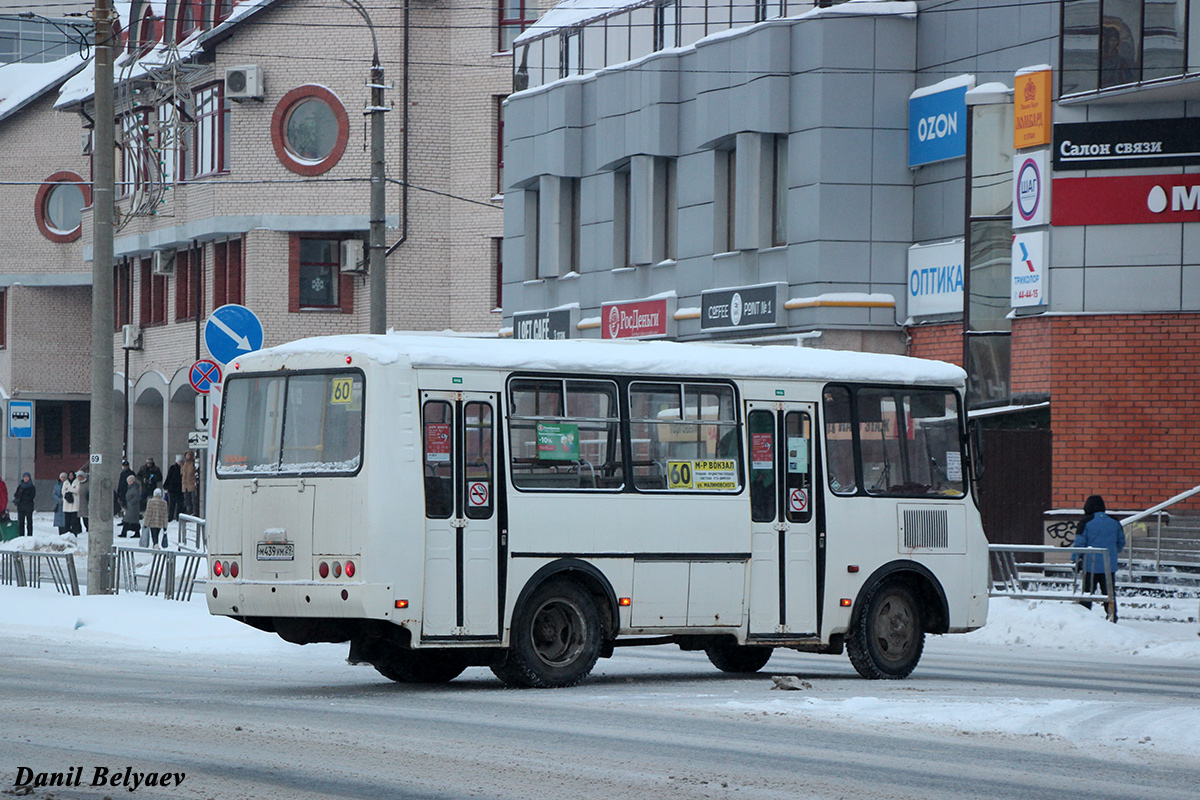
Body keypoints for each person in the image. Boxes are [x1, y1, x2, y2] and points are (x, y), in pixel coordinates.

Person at [1072, 494, 1126, 623]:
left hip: (1090, 565)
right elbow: (1121, 542)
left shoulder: (1086, 521)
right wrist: (1113, 553)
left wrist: (1075, 560)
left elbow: (1079, 544)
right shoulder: (1114, 521)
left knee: (1087, 593)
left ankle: (1084, 617)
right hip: (1109, 564)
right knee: (1109, 593)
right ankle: (1112, 615)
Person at [164, 455, 183, 521]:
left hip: (179, 489)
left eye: (181, 461)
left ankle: (178, 517)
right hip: (173, 489)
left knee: (179, 504)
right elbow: (169, 477)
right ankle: (171, 516)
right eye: (179, 461)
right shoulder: (172, 468)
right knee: (172, 504)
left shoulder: (182, 468)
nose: (180, 462)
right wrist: (166, 485)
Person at [61, 470, 81, 535]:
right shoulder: (65, 482)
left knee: (74, 521)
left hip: (74, 505)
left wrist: (69, 489)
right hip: (67, 504)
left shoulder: (77, 482)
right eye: (69, 475)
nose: (71, 476)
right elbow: (63, 492)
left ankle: (74, 533)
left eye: (72, 475)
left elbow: (77, 490)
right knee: (67, 521)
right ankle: (67, 533)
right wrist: (72, 489)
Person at [181, 450, 197, 517]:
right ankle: (188, 512)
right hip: (185, 485)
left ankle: (194, 512)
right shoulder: (184, 464)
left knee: (193, 500)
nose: (187, 456)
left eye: (188, 455)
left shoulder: (193, 463)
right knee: (187, 500)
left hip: (191, 484)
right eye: (186, 455)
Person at [77, 466, 90, 532]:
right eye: (78, 477)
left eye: (81, 476)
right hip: (77, 503)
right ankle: (78, 529)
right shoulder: (76, 483)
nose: (79, 478)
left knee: (86, 516)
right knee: (78, 516)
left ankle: (88, 528)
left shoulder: (87, 484)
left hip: (85, 502)